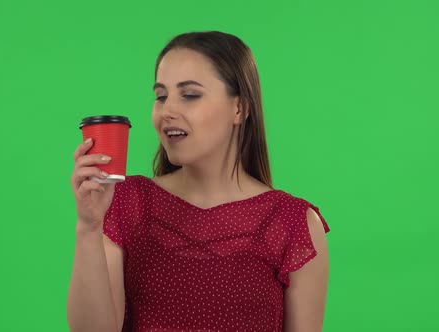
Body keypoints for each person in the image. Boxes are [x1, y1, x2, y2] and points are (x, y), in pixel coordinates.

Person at [67, 31, 330, 332]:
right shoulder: (126, 201)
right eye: (161, 96)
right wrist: (88, 227)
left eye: (190, 95)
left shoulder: (293, 223)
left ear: (239, 108)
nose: (167, 111)